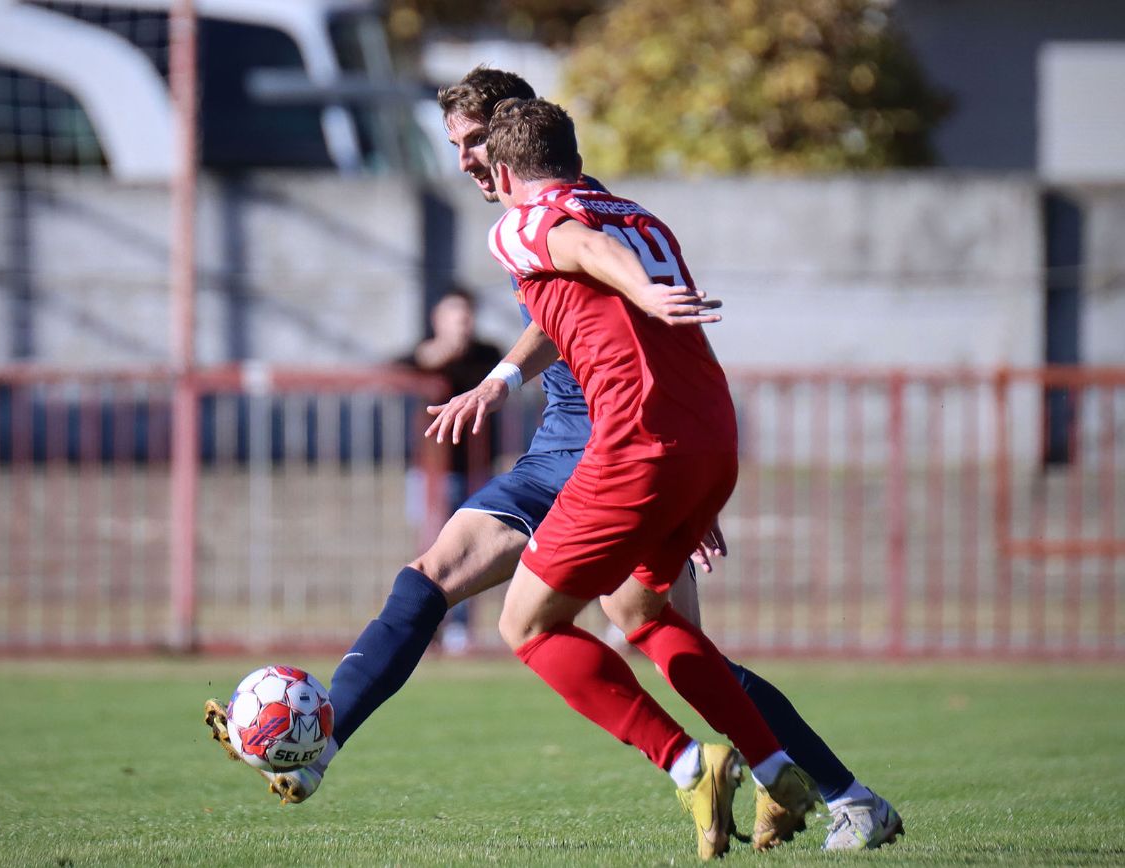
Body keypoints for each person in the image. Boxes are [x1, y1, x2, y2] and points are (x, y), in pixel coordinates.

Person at [205, 67, 901, 856]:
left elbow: (587, 262)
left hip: (619, 445)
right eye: (456, 146)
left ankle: (817, 786)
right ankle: (319, 750)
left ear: (513, 139)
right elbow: (563, 300)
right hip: (581, 445)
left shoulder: (547, 214)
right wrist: (502, 381)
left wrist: (673, 480)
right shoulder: (577, 215)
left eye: (476, 142)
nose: (467, 161)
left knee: (643, 631)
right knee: (432, 577)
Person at [396, 289, 503, 653]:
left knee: (467, 553)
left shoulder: (485, 355)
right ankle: (427, 626)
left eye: (466, 317)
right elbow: (396, 370)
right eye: (455, 317)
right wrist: (436, 355)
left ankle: (460, 627)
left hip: (476, 469)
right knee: (430, 549)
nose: (462, 326)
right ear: (437, 320)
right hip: (430, 472)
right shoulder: (422, 355)